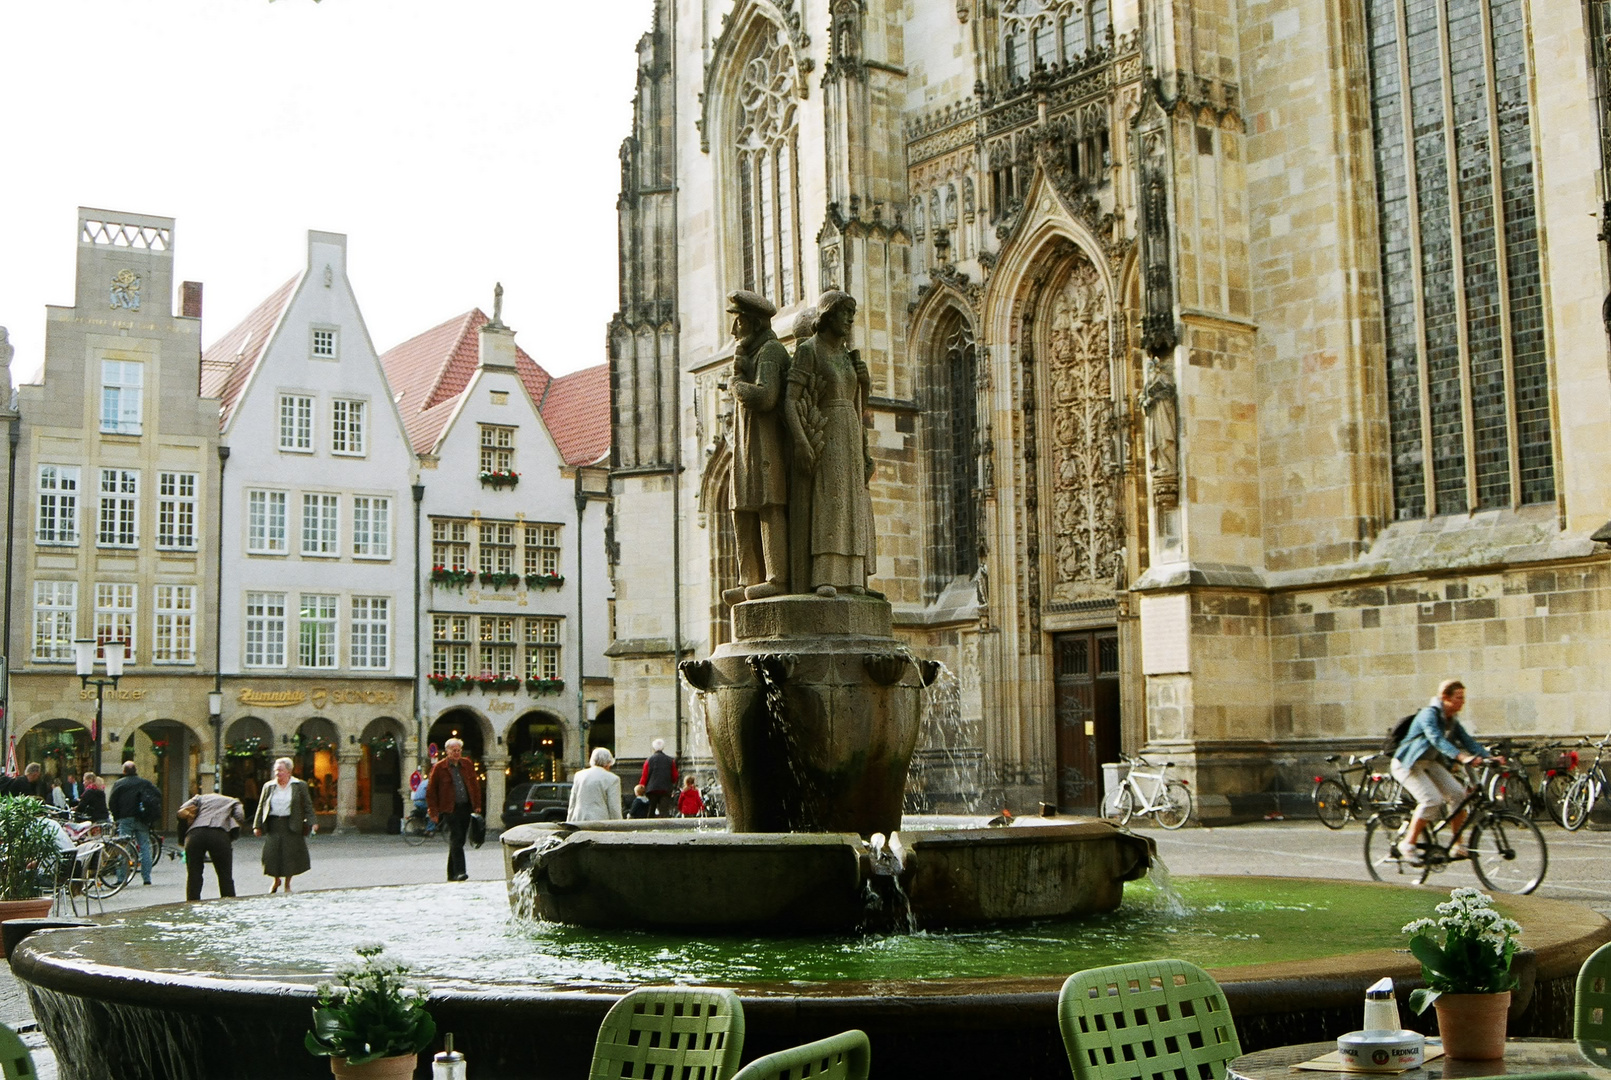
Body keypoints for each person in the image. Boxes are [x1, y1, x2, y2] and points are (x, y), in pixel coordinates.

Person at [785, 290, 876, 597]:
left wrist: (864, 383)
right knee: (830, 498)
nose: (850, 319)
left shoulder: (848, 354)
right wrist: (800, 440)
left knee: (852, 501)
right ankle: (825, 575)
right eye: (844, 312)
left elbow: (860, 404)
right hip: (826, 429)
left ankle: (853, 574)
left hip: (850, 428)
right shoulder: (810, 350)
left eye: (853, 313)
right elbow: (790, 399)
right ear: (827, 316)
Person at [723, 289, 792, 606]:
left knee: (768, 503)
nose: (733, 330)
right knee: (741, 507)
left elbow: (766, 396)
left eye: (737, 322)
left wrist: (736, 384)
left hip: (766, 442)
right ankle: (747, 578)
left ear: (751, 321)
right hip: (744, 444)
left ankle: (776, 578)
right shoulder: (749, 353)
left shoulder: (770, 352)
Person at [1390, 679, 1499, 866]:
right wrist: (1461, 757)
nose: (1462, 702)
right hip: (1407, 763)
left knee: (1458, 795)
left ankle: (1458, 845)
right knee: (1431, 799)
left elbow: (1468, 741)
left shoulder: (1452, 720)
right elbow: (1436, 740)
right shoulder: (1428, 715)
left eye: (1463, 698)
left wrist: (1489, 756)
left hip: (1429, 762)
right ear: (1444, 697)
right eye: (1458, 698)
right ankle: (1408, 844)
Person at [252, 757, 313, 893]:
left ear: (289, 772)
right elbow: (261, 806)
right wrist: (257, 825)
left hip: (291, 824)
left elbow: (308, 805)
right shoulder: (269, 786)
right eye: (275, 770)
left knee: (289, 855)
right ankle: (276, 880)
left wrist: (312, 822)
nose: (277, 773)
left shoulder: (299, 785)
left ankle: (287, 884)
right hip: (274, 823)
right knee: (271, 854)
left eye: (280, 770)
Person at [426, 738, 482, 882]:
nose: (456, 753)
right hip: (449, 808)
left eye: (458, 750)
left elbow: (474, 785)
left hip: (466, 807)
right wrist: (433, 811)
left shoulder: (467, 764)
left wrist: (477, 804)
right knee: (456, 838)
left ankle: (451, 874)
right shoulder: (440, 767)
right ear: (447, 751)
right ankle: (460, 871)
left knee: (459, 840)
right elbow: (431, 791)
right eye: (453, 750)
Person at [179, 791, 245, 901]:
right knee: (225, 875)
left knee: (193, 874)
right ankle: (228, 903)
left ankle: (192, 903)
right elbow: (240, 816)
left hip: (195, 835)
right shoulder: (233, 801)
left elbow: (181, 811)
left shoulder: (199, 798)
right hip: (219, 835)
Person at [108, 761, 162, 886]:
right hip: (142, 818)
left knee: (123, 847)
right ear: (136, 770)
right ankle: (146, 878)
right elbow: (157, 794)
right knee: (144, 847)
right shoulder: (144, 783)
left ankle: (122, 878)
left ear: (124, 771)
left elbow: (112, 802)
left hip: (125, 818)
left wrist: (117, 817)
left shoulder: (119, 784)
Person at [567, 747, 623, 822]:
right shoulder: (613, 779)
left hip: (578, 820)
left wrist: (569, 821)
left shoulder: (579, 775)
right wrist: (618, 825)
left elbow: (572, 802)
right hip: (600, 821)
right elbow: (614, 807)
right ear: (608, 763)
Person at [639, 738, 678, 818]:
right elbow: (675, 776)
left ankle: (649, 827)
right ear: (663, 748)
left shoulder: (649, 760)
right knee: (664, 811)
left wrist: (641, 785)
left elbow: (645, 775)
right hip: (665, 788)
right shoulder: (670, 760)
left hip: (652, 789)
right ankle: (664, 828)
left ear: (653, 748)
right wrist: (673, 783)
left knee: (651, 810)